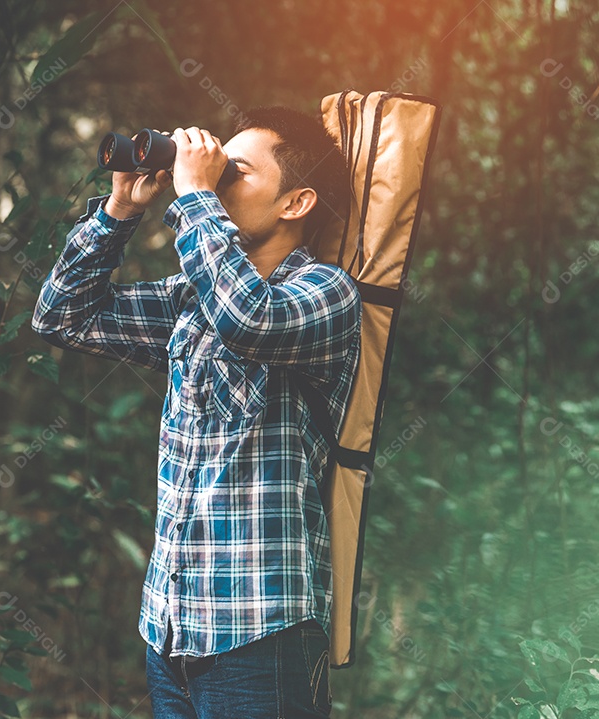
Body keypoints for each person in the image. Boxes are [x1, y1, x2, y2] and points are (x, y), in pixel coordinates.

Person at [31, 105, 361, 718]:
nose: (210, 177)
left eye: (234, 171)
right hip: (171, 629)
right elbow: (61, 316)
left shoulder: (327, 294)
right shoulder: (190, 298)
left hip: (263, 634)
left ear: (296, 202)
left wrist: (194, 194)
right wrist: (120, 211)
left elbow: (248, 318)